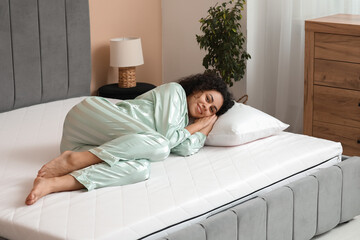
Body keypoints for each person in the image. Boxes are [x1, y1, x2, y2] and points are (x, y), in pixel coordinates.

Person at [25, 73, 234, 205]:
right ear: (198, 89)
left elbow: (185, 148)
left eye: (212, 109)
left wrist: (205, 126)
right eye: (207, 99)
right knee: (161, 147)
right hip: (90, 117)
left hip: (82, 145)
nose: (206, 107)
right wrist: (198, 125)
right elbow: (168, 140)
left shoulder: (183, 127)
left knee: (141, 170)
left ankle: (54, 184)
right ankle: (74, 161)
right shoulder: (175, 92)